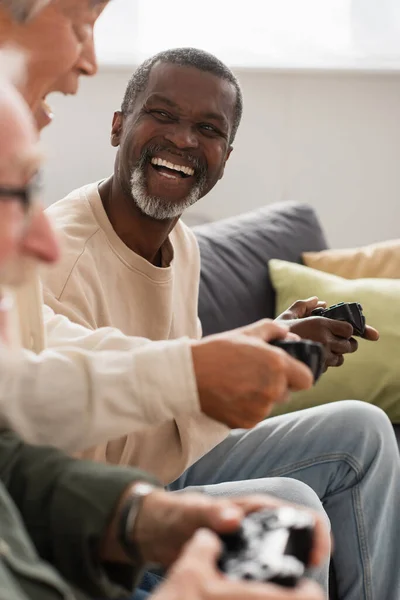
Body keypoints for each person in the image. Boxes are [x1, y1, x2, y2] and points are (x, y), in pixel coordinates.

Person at [42, 47, 400, 600]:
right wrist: (249, 359)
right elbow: (80, 467)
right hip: (105, 510)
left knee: (365, 429)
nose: (184, 139)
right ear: (119, 126)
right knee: (289, 509)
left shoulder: (180, 242)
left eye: (207, 128)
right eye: (162, 115)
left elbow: (179, 394)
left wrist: (271, 343)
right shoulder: (58, 260)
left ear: (225, 155)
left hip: (167, 465)